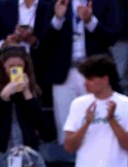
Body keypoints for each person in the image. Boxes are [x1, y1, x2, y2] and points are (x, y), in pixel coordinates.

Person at [41, 0, 120, 140]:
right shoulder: (55, 2)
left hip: (93, 71)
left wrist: (90, 21)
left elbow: (112, 36)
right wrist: (57, 19)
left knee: (97, 122)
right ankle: (65, 159)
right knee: (65, 124)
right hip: (63, 72)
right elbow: (44, 41)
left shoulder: (106, 2)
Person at [62, 55, 128, 167]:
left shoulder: (127, 104)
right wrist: (86, 123)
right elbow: (69, 146)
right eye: (85, 78)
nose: (85, 83)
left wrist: (112, 120)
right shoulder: (78, 104)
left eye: (91, 79)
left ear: (105, 79)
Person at [0, 47, 50, 167]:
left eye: (19, 66)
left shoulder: (33, 91)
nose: (15, 69)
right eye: (11, 66)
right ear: (3, 66)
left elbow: (42, 123)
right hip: (0, 149)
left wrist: (27, 94)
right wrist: (4, 96)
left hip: (28, 149)